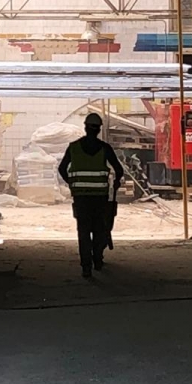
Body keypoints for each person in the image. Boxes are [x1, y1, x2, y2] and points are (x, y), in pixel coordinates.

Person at [58, 112, 125, 278]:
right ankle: (98, 259)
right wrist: (116, 182)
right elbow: (119, 169)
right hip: (100, 198)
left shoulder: (73, 148)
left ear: (85, 128)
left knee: (83, 231)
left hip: (81, 198)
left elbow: (61, 169)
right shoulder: (105, 148)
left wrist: (72, 183)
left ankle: (86, 267)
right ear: (99, 129)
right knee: (99, 230)